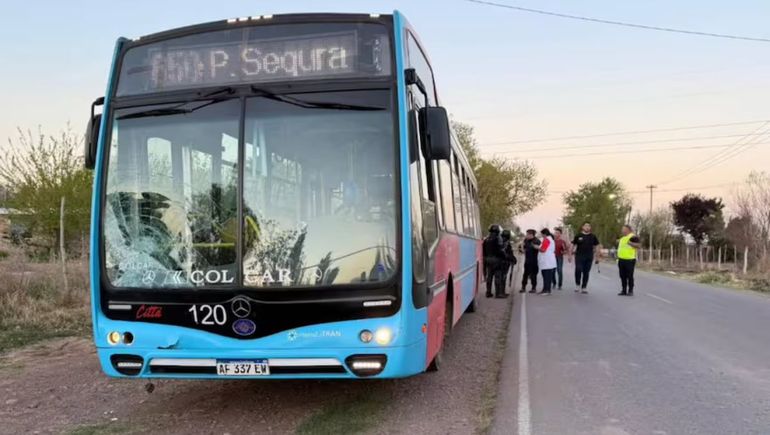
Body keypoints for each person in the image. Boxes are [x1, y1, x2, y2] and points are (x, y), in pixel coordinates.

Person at [571, 222, 600, 294]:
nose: (587, 227)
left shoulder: (593, 236)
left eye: (589, 226)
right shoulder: (578, 235)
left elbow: (597, 246)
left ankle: (584, 287)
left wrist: (597, 257)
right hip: (579, 256)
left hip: (589, 256)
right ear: (582, 227)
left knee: (586, 272)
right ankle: (577, 284)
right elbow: (573, 245)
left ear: (590, 228)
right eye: (586, 226)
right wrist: (570, 254)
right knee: (578, 269)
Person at [617, 224, 642, 296]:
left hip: (629, 260)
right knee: (622, 276)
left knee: (629, 276)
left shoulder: (633, 237)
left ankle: (630, 290)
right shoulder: (623, 238)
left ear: (628, 229)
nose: (622, 230)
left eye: (623, 229)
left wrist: (630, 243)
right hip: (621, 259)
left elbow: (639, 246)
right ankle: (624, 290)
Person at [482, 224, 506, 298]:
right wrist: (504, 256)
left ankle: (488, 292)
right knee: (497, 277)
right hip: (496, 260)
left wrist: (485, 259)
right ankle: (498, 293)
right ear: (498, 231)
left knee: (489, 277)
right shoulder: (498, 239)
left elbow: (484, 251)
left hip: (488, 260)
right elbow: (500, 250)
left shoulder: (486, 239)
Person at [538, 228, 557, 295]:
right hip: (547, 261)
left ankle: (547, 290)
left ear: (544, 234)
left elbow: (543, 250)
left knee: (547, 276)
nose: (542, 235)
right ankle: (544, 289)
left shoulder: (547, 239)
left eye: (542, 234)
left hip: (547, 261)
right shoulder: (550, 239)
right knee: (545, 276)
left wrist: (537, 247)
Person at [500, 229, 517, 295]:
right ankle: (502, 292)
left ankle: (500, 292)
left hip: (500, 261)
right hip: (504, 262)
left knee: (500, 277)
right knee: (503, 277)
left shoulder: (500, 241)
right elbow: (508, 253)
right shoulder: (506, 243)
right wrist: (512, 259)